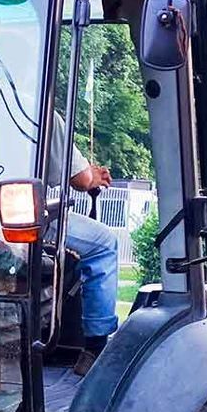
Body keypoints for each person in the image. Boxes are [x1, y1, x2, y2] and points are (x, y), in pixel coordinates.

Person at [65, 144, 121, 362]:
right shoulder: (40, 117)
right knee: (105, 244)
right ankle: (94, 349)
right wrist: (92, 176)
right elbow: (81, 179)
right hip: (18, 212)